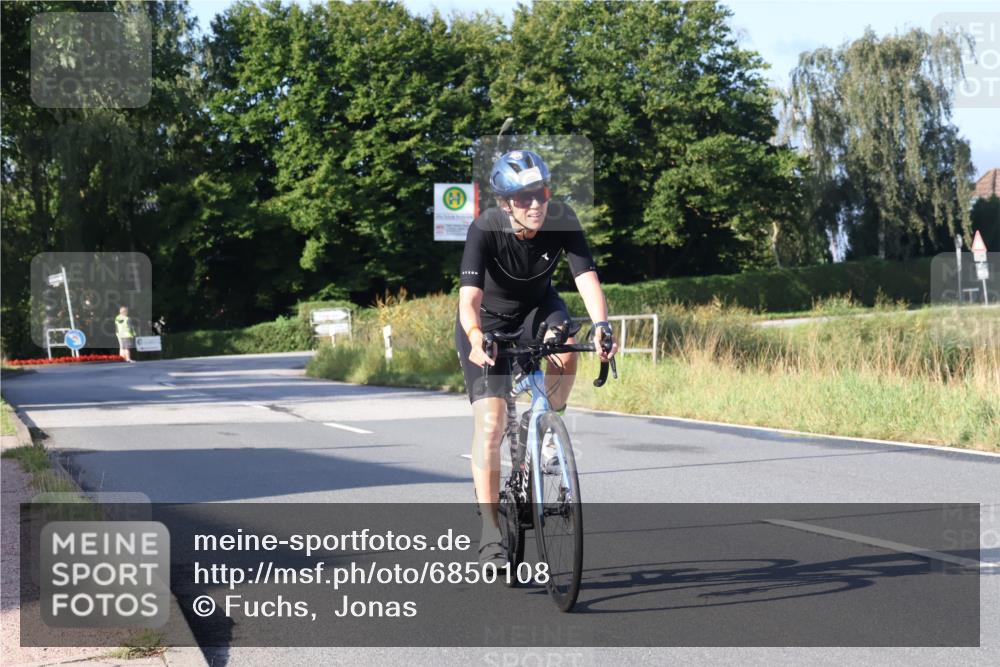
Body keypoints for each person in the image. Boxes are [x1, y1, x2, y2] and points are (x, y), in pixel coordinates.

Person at [455, 149, 617, 567]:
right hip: (486, 324)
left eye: (541, 193)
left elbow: (586, 278)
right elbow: (469, 299)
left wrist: (603, 326)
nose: (535, 204)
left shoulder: (561, 218)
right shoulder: (485, 228)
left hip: (536, 312)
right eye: (524, 197)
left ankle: (546, 423)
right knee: (491, 423)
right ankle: (490, 529)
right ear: (505, 202)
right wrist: (475, 337)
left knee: (566, 344)